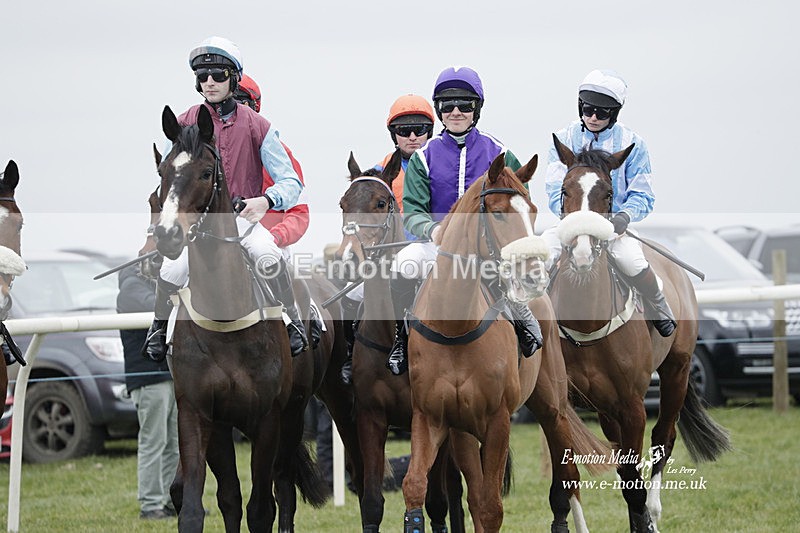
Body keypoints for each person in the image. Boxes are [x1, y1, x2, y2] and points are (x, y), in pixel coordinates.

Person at [142, 36, 309, 361]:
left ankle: (292, 321)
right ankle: (158, 329)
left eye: (217, 75)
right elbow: (168, 175)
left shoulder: (259, 126)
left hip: (243, 221)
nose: (209, 83)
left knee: (267, 253)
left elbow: (292, 182)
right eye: (202, 77)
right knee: (171, 271)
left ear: (233, 78)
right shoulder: (184, 121)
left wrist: (265, 201)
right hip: (198, 224)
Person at [386, 66, 544, 375]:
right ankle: (401, 340)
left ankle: (522, 315)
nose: (456, 111)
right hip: (439, 247)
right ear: (440, 111)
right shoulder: (423, 157)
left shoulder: (500, 152)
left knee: (515, 269)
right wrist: (435, 231)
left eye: (465, 105)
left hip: (488, 248)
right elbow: (414, 210)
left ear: (477, 110)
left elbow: (520, 205)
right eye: (448, 105)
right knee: (402, 264)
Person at [542, 68, 676, 337]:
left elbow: (643, 193)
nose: (593, 117)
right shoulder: (564, 138)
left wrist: (623, 218)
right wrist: (573, 219)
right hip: (570, 225)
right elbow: (554, 188)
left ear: (614, 113)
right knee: (539, 258)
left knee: (632, 259)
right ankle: (528, 323)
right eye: (588, 109)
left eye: (602, 113)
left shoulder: (633, 143)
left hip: (613, 228)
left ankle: (659, 306)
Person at [338, 94, 435, 385]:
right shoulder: (378, 173)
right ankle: (349, 352)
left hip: (429, 248)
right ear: (393, 135)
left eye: (420, 128)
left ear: (431, 130)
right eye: (404, 130)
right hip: (385, 254)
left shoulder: (440, 165)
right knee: (350, 294)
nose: (413, 136)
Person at [118, 263, 179, 520]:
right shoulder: (131, 288)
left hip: (168, 375)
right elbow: (157, 307)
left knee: (173, 443)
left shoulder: (150, 283)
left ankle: (169, 500)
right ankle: (151, 503)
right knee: (153, 442)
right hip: (148, 378)